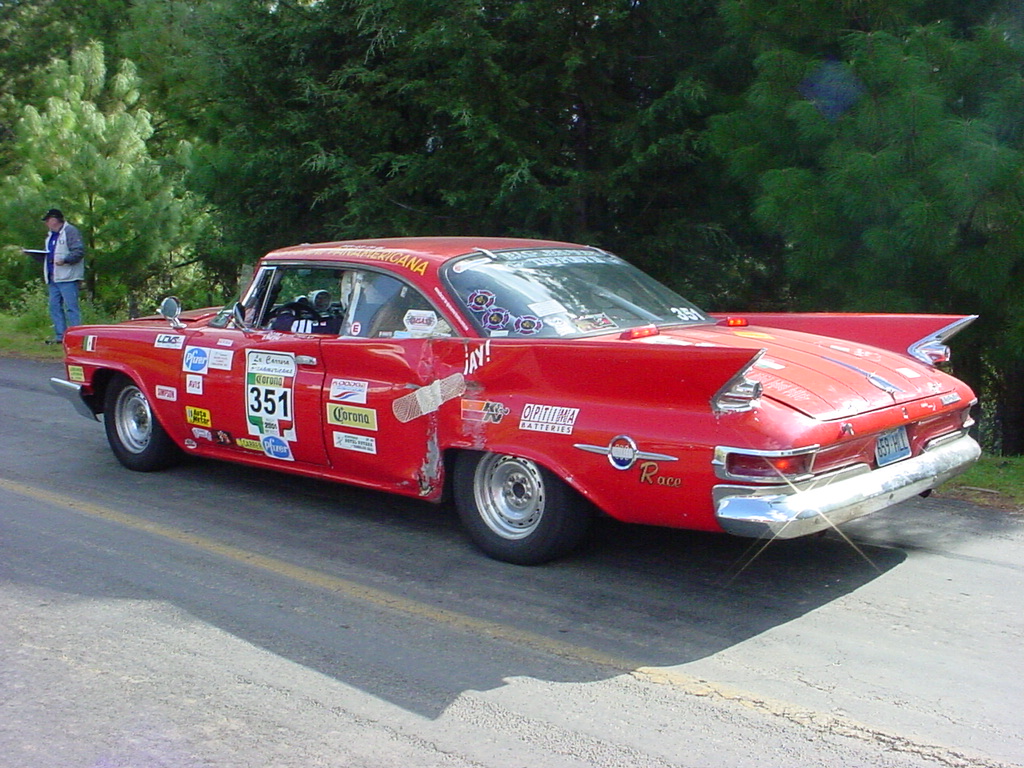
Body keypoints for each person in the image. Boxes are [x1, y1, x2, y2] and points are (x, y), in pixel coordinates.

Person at [39, 208, 86, 344]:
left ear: (54, 219)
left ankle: (76, 336)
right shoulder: (50, 236)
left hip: (68, 277)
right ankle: (60, 336)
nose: (46, 223)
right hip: (53, 276)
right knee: (54, 307)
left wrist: (65, 260)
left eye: (48, 220)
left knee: (71, 307)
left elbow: (78, 251)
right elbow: (50, 255)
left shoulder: (70, 231)